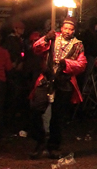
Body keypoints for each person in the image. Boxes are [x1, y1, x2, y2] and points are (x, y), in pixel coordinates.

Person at [29, 18, 87, 159]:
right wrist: (45, 39)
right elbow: (36, 49)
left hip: (64, 82)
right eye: (65, 28)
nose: (67, 31)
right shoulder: (53, 38)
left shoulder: (78, 45)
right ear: (62, 28)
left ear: (74, 31)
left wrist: (66, 63)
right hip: (46, 80)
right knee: (35, 109)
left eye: (70, 29)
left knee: (58, 116)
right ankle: (40, 140)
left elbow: (82, 64)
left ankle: (54, 146)